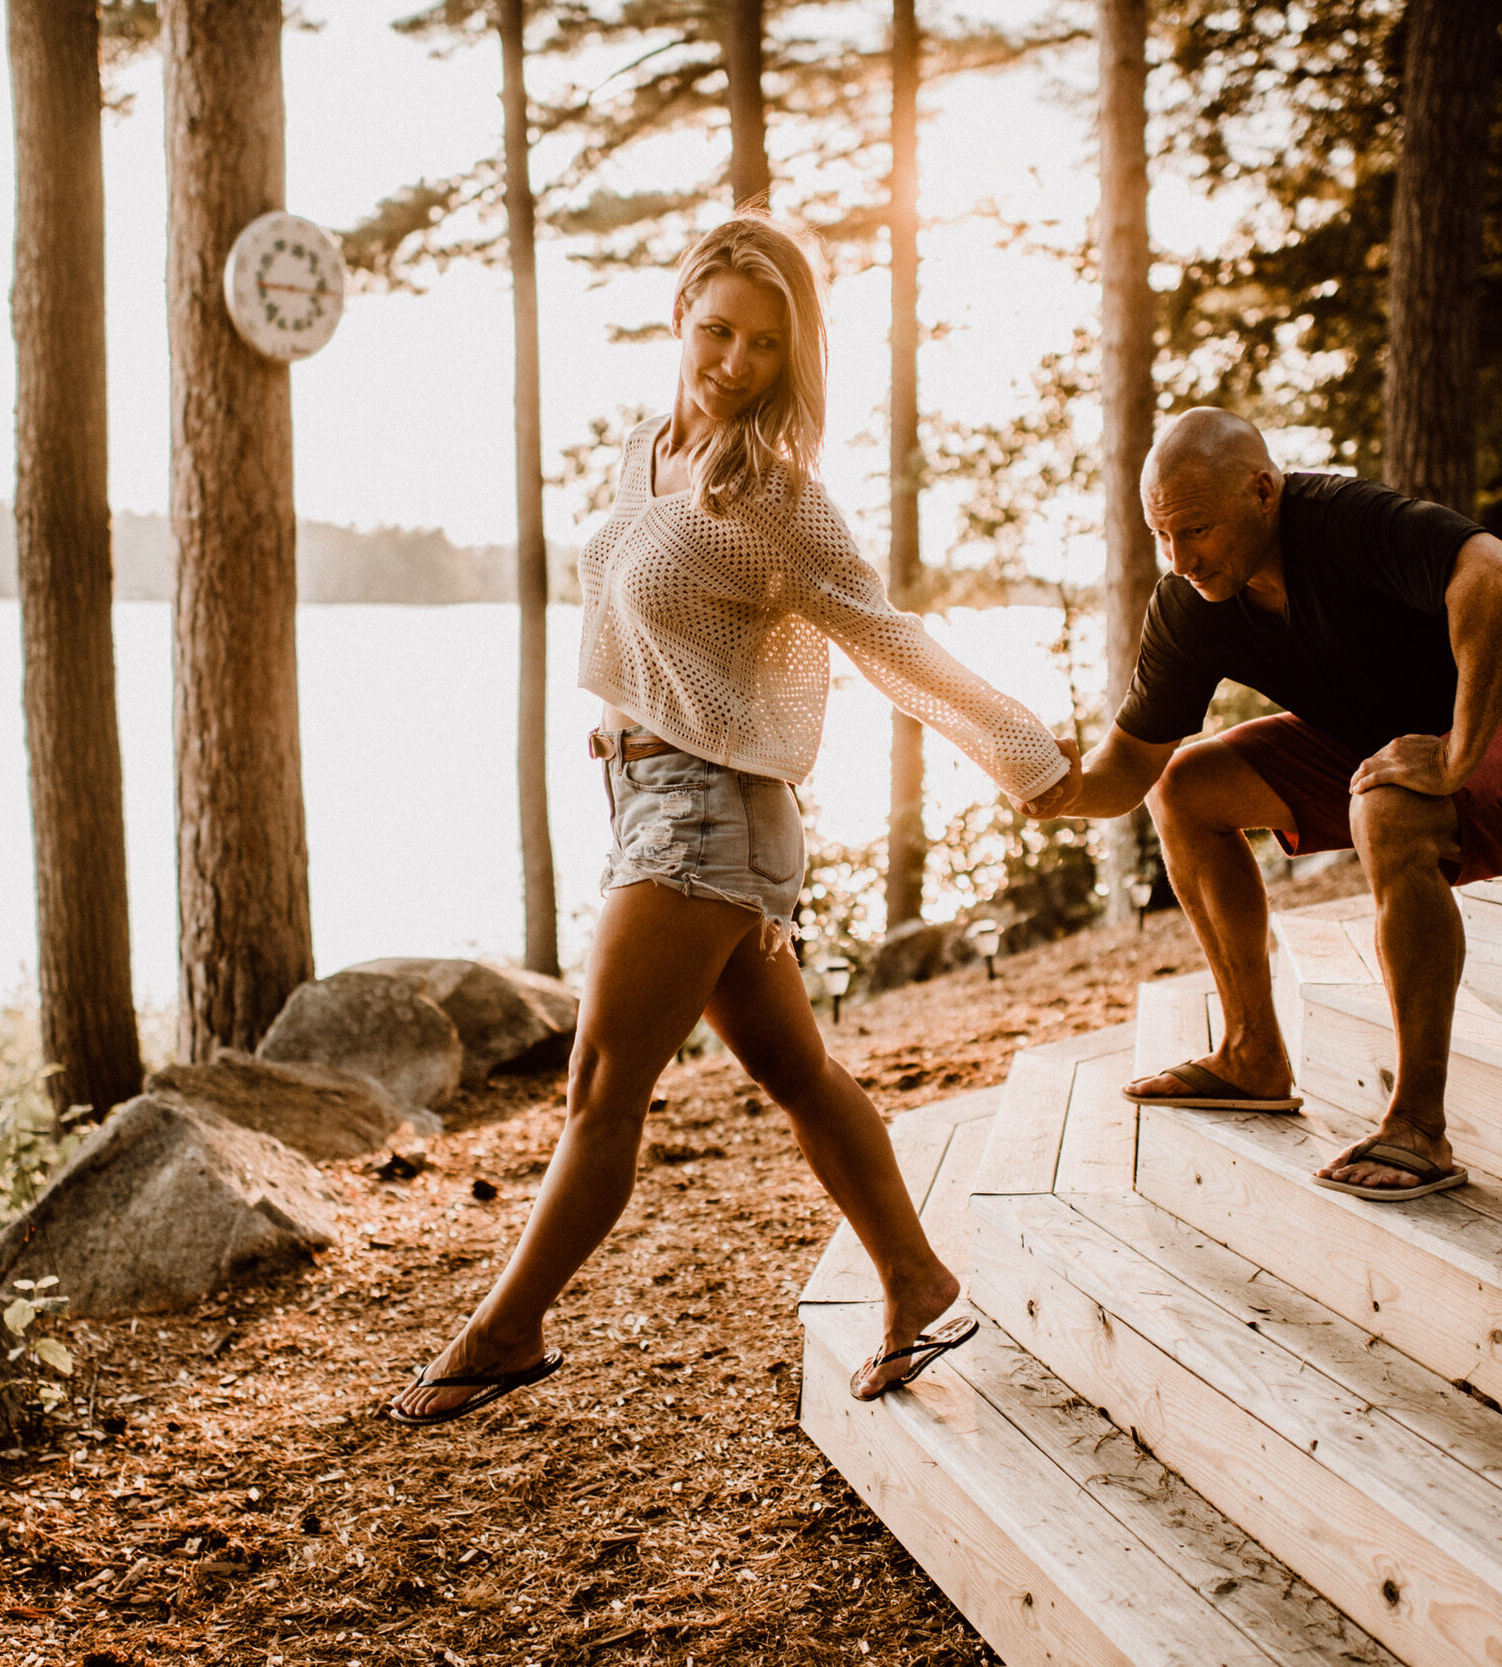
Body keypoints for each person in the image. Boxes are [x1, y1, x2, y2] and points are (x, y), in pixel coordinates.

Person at [391, 216, 1077, 1425]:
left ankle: (504, 1330)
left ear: (793, 355)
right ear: (679, 317)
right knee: (796, 1069)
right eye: (716, 330)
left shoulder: (773, 497)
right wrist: (620, 717)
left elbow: (885, 633)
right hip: (655, 800)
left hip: (710, 821)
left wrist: (1025, 756)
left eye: (766, 344)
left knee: (602, 1086)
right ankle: (917, 1282)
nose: (734, 362)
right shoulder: (645, 453)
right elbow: (647, 620)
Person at [1042, 408, 1502, 1200]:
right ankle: (1252, 1053)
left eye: (1197, 530)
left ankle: (1419, 1123)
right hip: (1386, 738)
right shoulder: (1192, 602)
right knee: (1185, 789)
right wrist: (1059, 787)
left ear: (1262, 491)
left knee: (1387, 808)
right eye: (1162, 536)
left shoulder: (1343, 523)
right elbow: (1127, 774)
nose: (1179, 558)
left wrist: (1458, 749)